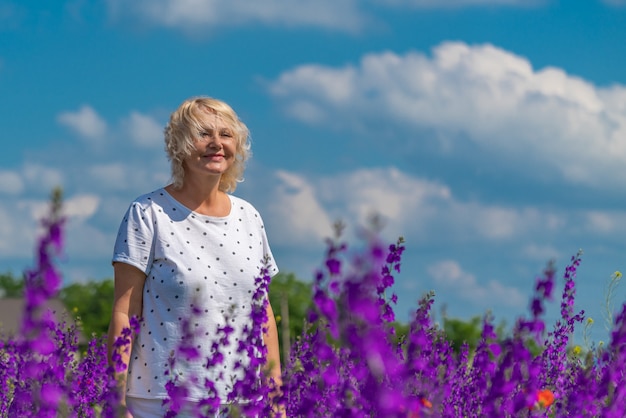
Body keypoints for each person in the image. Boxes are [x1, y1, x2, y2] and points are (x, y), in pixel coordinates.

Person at [107, 97, 283, 417]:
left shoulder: (249, 217)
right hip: (164, 401)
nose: (216, 143)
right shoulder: (147, 213)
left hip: (244, 401)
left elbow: (263, 313)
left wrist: (275, 394)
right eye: (203, 133)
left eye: (226, 135)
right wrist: (116, 402)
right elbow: (124, 312)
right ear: (179, 145)